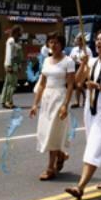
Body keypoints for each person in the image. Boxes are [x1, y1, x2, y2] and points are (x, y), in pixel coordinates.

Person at [64, 30, 101, 200]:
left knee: (95, 147)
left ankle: (80, 186)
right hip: (91, 111)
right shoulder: (91, 62)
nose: (98, 42)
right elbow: (77, 82)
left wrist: (98, 86)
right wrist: (83, 65)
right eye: (97, 40)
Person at [29, 32, 75, 180]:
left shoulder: (68, 61)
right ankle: (61, 155)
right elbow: (42, 84)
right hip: (47, 99)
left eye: (56, 42)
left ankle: (50, 168)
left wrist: (65, 105)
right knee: (45, 131)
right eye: (50, 42)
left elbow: (70, 85)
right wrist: (35, 104)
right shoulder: (47, 61)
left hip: (59, 98)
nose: (53, 45)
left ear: (61, 44)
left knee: (52, 132)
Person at [0, 25, 24, 109]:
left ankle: (3, 100)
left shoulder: (15, 41)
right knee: (12, 84)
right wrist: (9, 65)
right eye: (20, 31)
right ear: (17, 32)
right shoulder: (11, 40)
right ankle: (8, 101)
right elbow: (9, 53)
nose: (22, 33)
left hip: (13, 64)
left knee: (7, 83)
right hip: (12, 64)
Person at [69, 34, 93, 108]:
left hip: (84, 67)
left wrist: (82, 61)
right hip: (75, 67)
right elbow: (70, 58)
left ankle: (85, 95)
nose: (77, 41)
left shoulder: (87, 50)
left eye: (78, 40)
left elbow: (90, 60)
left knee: (79, 84)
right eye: (77, 40)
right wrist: (73, 59)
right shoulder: (74, 49)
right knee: (76, 84)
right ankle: (77, 101)